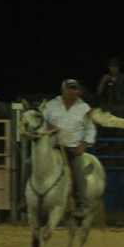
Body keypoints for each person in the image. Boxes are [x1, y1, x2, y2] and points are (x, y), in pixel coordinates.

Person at [43, 79, 97, 218]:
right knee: (30, 164)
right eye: (69, 88)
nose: (72, 91)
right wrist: (47, 127)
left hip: (73, 148)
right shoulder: (51, 105)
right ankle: (26, 199)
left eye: (74, 89)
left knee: (78, 173)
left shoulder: (84, 108)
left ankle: (82, 205)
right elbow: (41, 121)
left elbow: (90, 129)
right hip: (52, 147)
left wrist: (84, 144)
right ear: (63, 90)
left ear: (78, 91)